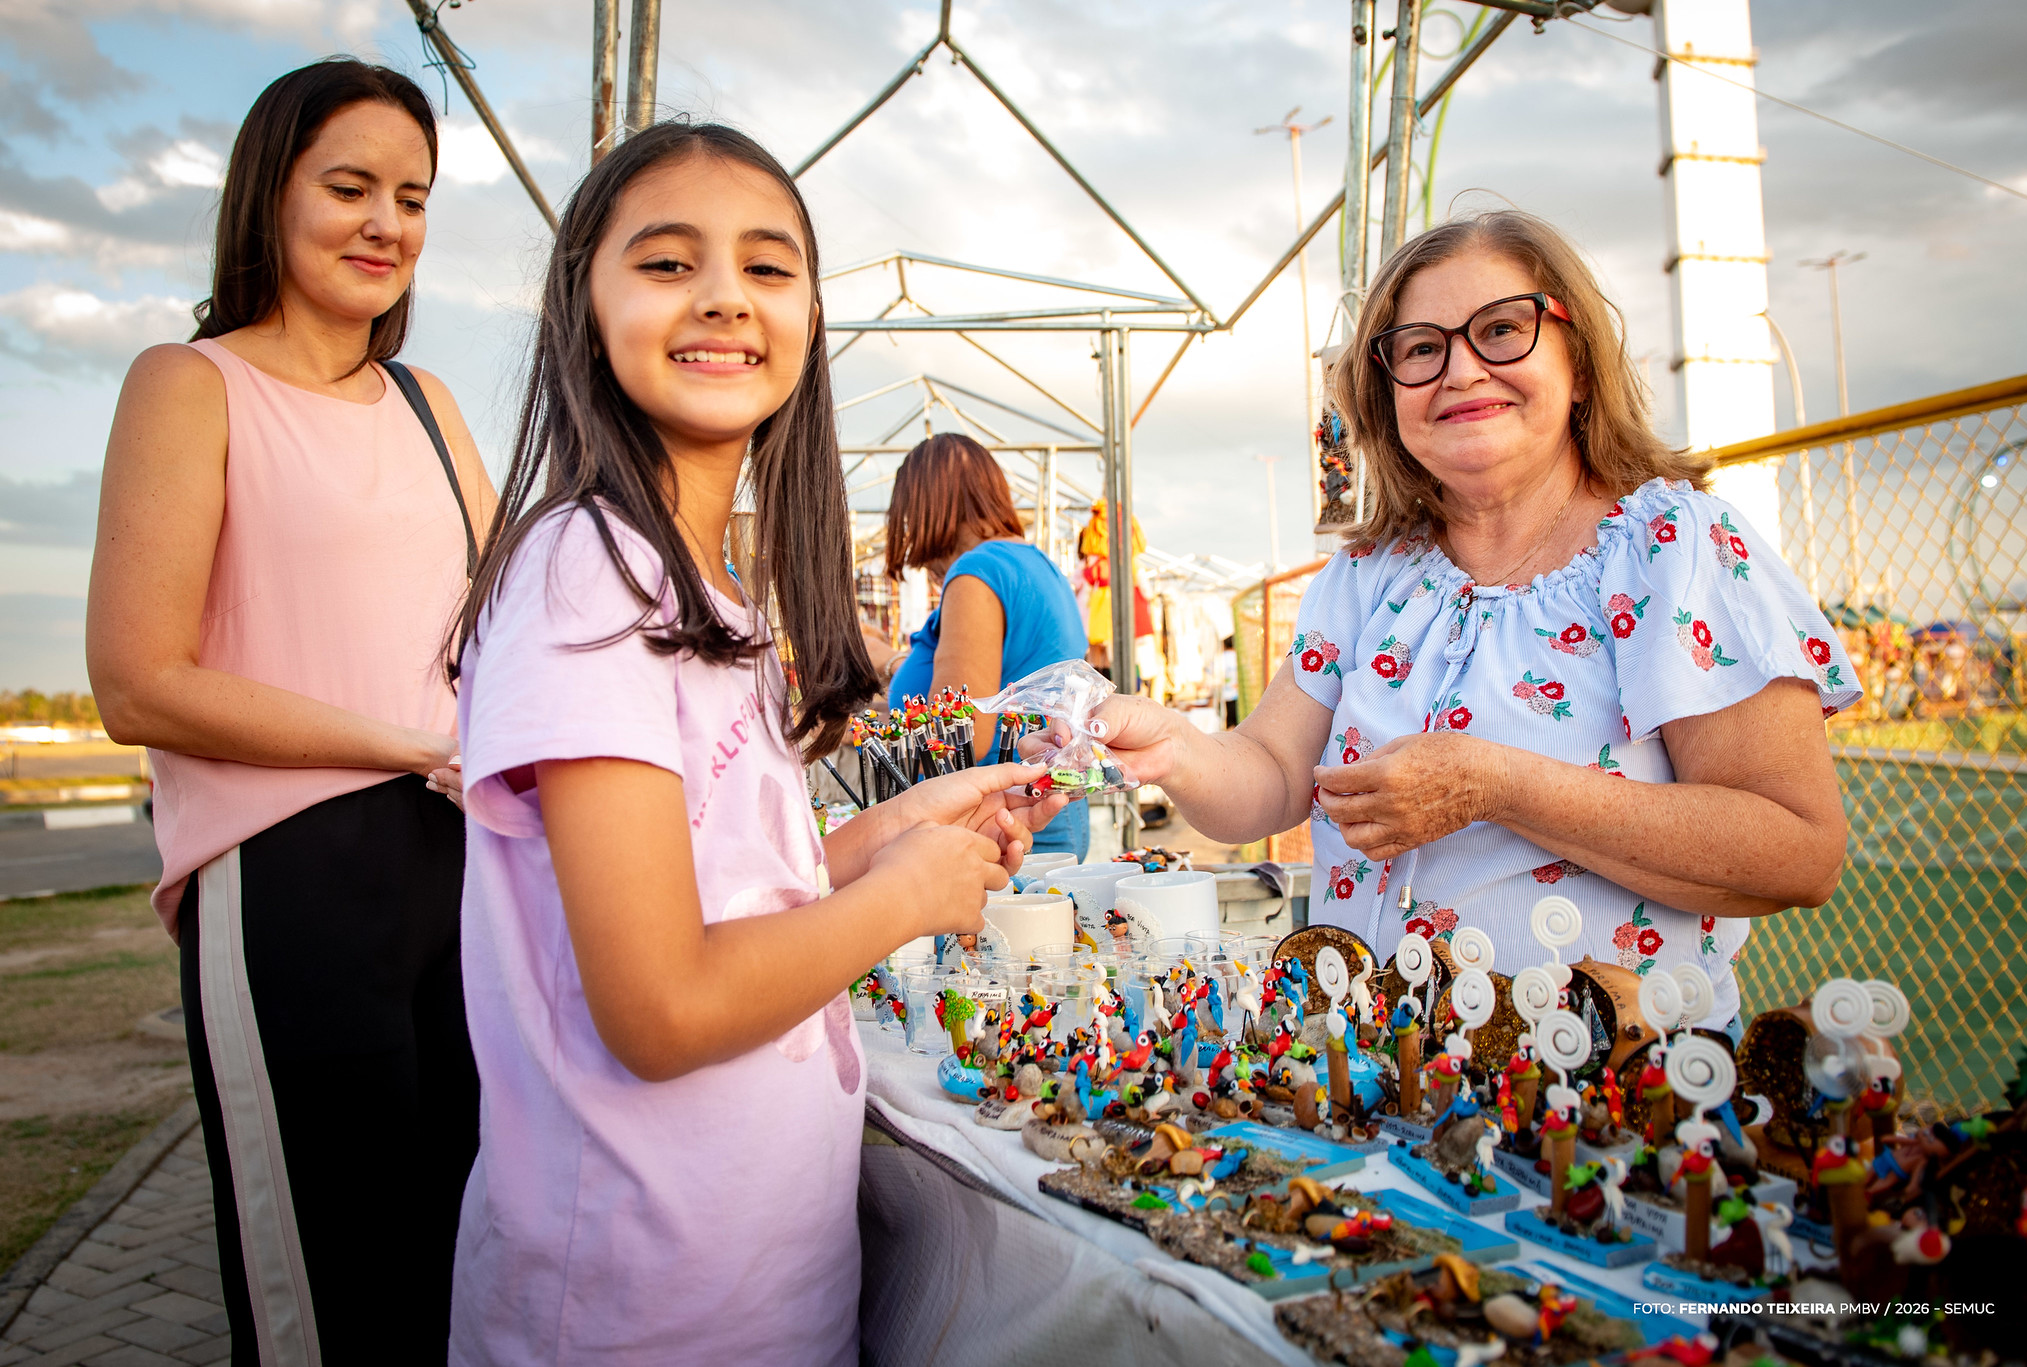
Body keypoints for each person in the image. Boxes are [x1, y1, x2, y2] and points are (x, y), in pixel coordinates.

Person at [445, 122, 1067, 1363]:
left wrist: (886, 836)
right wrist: (899, 898)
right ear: (585, 302)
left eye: (768, 267)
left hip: (753, 1281)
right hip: (635, 1304)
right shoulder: (589, 572)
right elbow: (661, 1001)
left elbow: (717, 892)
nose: (724, 294)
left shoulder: (708, 593)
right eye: (668, 263)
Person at [1069, 211, 1860, 1029]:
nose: (1461, 370)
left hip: (1612, 1095)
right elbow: (1270, 774)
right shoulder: (1370, 575)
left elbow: (1798, 852)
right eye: (1420, 348)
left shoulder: (1674, 549)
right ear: (1387, 394)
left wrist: (1494, 783)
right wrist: (1175, 747)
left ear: (1579, 364)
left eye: (1502, 329)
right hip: (1372, 1073)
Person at [85, 59, 492, 1362]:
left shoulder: (431, 407)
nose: (387, 222)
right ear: (271, 191)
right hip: (290, 880)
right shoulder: (188, 383)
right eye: (351, 186)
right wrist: (405, 739)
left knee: (461, 1265)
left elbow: (510, 632)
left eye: (413, 197)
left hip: (465, 865)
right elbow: (135, 681)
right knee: (333, 1290)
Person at [885, 432, 1093, 856]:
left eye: (908, 518)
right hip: (1043, 821)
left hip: (1000, 831)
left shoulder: (978, 572)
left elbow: (959, 738)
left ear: (927, 508)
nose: (913, 546)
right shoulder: (1036, 564)